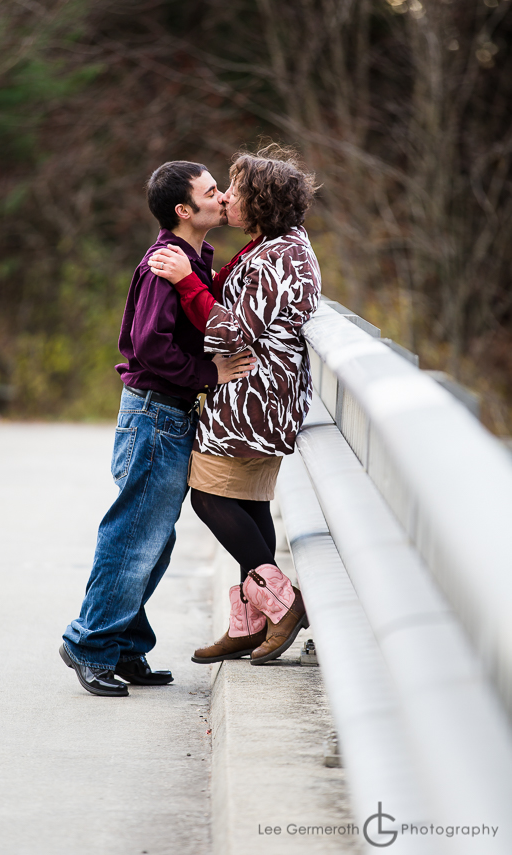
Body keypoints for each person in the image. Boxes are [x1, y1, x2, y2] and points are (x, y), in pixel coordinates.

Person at [60, 160, 255, 697]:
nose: (222, 197)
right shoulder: (164, 262)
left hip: (168, 414)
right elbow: (149, 346)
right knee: (133, 537)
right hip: (154, 413)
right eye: (212, 191)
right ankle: (89, 643)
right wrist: (207, 374)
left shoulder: (193, 259)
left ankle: (124, 645)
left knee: (154, 541)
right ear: (184, 210)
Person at [148, 145, 321, 666]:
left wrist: (182, 280)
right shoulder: (271, 245)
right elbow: (227, 296)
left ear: (260, 201)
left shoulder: (277, 256)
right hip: (262, 394)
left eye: (236, 190)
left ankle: (283, 604)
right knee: (246, 503)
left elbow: (227, 328)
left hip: (253, 395)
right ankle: (250, 621)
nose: (226, 197)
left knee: (210, 498)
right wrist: (198, 277)